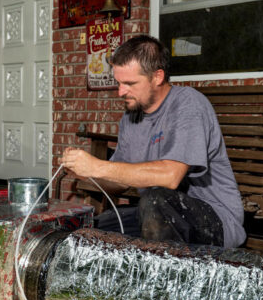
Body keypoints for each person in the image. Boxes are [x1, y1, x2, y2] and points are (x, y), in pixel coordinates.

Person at [61, 35, 245, 248]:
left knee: (155, 200)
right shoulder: (131, 117)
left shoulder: (188, 104)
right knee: (88, 230)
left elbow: (170, 176)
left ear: (157, 77)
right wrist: (89, 174)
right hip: (155, 214)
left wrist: (99, 166)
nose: (121, 92)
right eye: (119, 83)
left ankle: (161, 281)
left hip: (216, 220)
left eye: (130, 83)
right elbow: (120, 181)